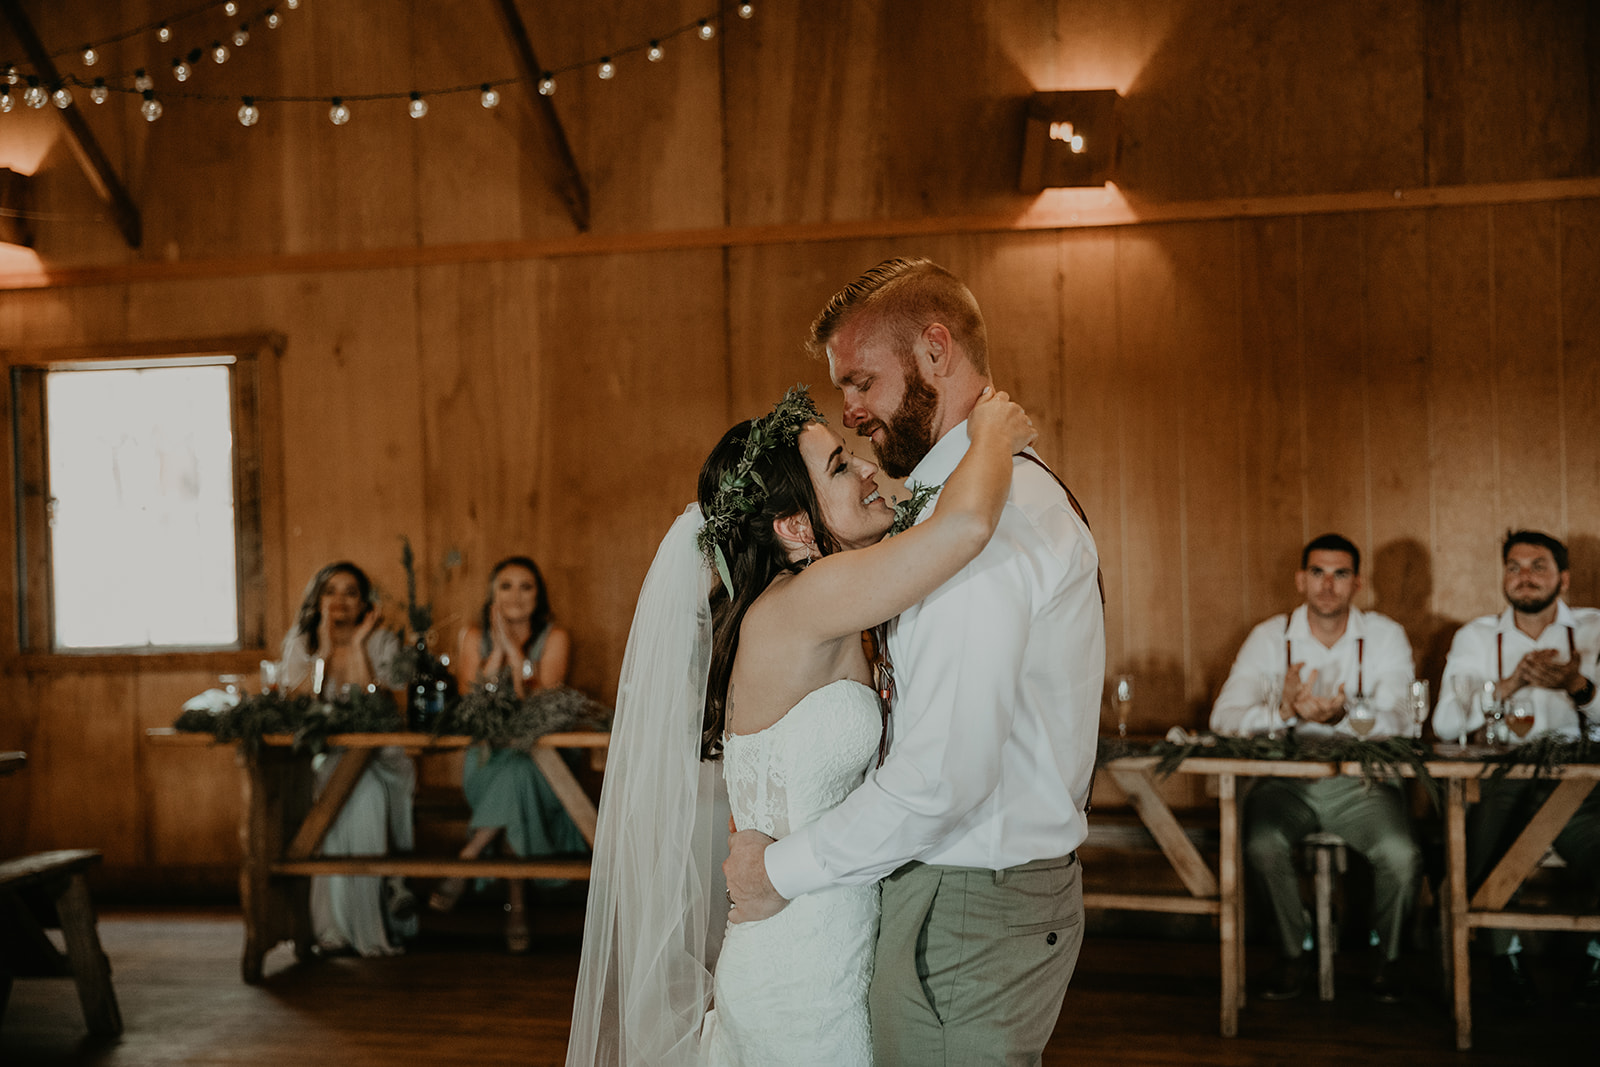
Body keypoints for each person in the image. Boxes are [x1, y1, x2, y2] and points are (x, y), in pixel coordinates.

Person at [566, 381, 1036, 1067]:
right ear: (792, 527)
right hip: (801, 972)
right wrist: (989, 434)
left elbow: (917, 512)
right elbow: (962, 527)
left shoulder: (809, 599)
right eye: (842, 469)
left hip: (818, 938)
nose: (869, 470)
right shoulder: (809, 598)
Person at [724, 257, 1105, 1066]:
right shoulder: (951, 506)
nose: (852, 413)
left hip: (965, 900)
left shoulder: (987, 516)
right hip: (922, 893)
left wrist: (780, 869)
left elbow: (943, 774)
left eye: (861, 380)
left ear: (936, 351)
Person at [1210, 534, 1421, 1002]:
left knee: (1402, 856)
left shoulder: (1384, 636)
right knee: (1261, 844)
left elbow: (1405, 721)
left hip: (1362, 785)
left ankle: (1387, 958)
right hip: (1284, 786)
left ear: (1357, 583)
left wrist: (1346, 717)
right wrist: (1285, 714)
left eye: (1340, 574)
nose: (1328, 585)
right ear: (1301, 579)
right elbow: (1222, 717)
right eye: (1319, 573)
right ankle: (1292, 951)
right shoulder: (1270, 636)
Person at [1432, 530, 1600, 1008]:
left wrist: (1579, 686)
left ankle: (1597, 958)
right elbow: (1445, 724)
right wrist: (1505, 687)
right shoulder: (1476, 636)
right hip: (1503, 776)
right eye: (1514, 566)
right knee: (1480, 851)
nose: (1524, 577)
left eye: (1538, 566)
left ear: (1563, 578)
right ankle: (1502, 958)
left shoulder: (1595, 630)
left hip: (1583, 781)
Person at [429, 556, 588, 952]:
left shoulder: (555, 638)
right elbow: (471, 704)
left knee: (518, 776)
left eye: (526, 586)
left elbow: (536, 709)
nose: (516, 595)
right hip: (487, 761)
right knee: (510, 777)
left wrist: (517, 659)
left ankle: (469, 863)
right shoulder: (472, 637)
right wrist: (498, 651)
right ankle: (515, 908)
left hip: (545, 763)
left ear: (539, 595)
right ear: (491, 594)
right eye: (506, 586)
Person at [278, 561, 418, 957]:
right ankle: (332, 925)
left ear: (364, 602)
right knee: (338, 785)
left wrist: (357, 646)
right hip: (320, 758)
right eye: (330, 591)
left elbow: (376, 706)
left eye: (350, 592)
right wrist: (323, 652)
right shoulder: (301, 643)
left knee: (368, 788)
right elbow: (298, 704)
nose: (339, 601)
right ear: (317, 600)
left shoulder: (382, 642)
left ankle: (371, 923)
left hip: (380, 757)